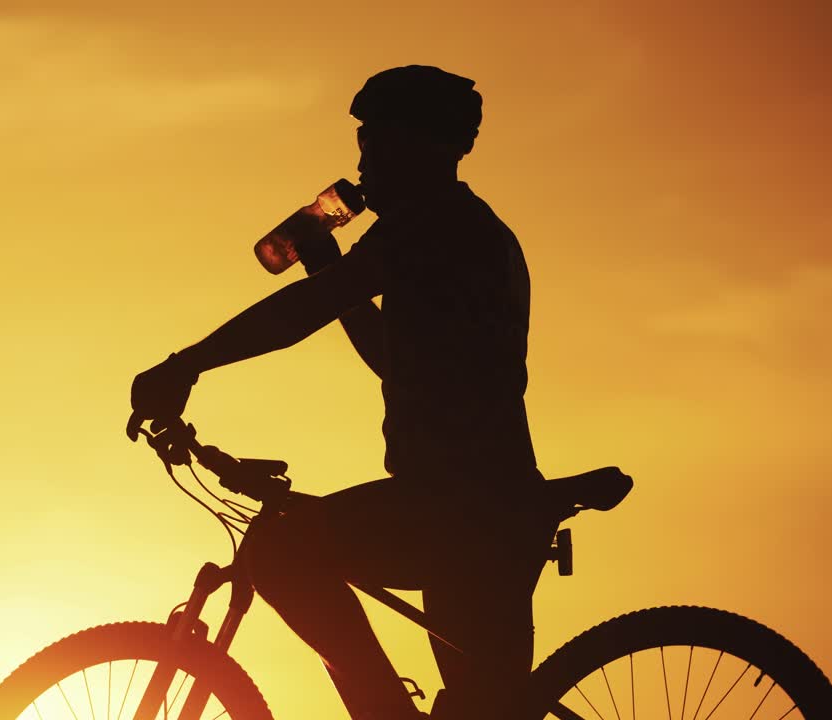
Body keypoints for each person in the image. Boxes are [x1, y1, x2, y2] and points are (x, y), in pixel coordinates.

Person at [128, 65, 555, 720]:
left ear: (424, 147)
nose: (365, 161)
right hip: (466, 509)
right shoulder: (447, 232)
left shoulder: (437, 226)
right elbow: (393, 359)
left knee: (282, 552)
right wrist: (333, 265)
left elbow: (301, 312)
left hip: (466, 510)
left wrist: (186, 366)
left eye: (376, 142)